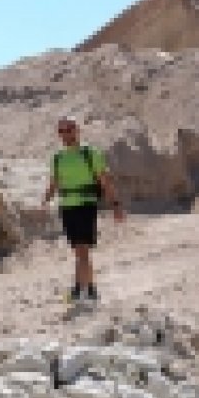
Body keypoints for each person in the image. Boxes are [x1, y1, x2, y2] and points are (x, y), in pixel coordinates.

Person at [41, 116, 124, 303]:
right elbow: (53, 183)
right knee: (79, 251)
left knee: (82, 250)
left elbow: (105, 181)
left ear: (77, 130)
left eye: (69, 129)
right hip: (67, 207)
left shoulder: (90, 153)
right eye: (61, 131)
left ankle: (82, 292)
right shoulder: (58, 157)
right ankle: (88, 289)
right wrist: (44, 202)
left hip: (86, 205)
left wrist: (116, 205)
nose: (66, 134)